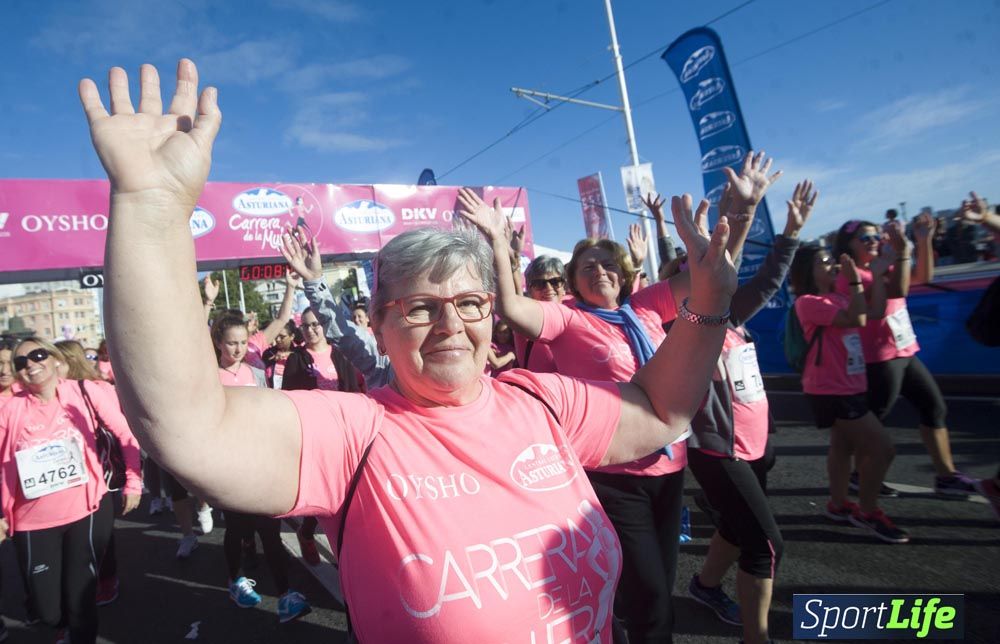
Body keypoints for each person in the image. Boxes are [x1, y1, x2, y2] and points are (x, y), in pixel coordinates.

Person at [79, 58, 736, 642]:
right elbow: (188, 425)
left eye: (470, 303)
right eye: (421, 307)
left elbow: (659, 409)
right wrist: (152, 207)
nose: (451, 324)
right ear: (378, 324)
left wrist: (706, 303)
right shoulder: (356, 435)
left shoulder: (543, 402)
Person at [458, 150, 780, 643]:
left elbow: (712, 272)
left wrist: (740, 214)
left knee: (652, 593)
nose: (600, 271)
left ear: (624, 272)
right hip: (610, 475)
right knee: (650, 599)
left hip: (669, 467)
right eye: (587, 266)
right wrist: (499, 242)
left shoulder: (648, 305)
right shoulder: (568, 319)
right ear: (573, 281)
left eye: (608, 263)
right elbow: (511, 308)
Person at [682, 180, 815, 643]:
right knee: (766, 545)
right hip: (721, 452)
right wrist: (736, 211)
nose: (715, 272)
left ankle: (704, 586)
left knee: (737, 529)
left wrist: (788, 229)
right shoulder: (684, 324)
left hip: (757, 444)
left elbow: (767, 279)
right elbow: (718, 267)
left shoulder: (732, 316)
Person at [0, 337, 142, 643]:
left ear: (54, 359)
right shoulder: (10, 408)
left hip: (86, 510)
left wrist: (134, 480)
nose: (31, 365)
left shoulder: (83, 391)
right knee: (47, 609)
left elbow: (123, 432)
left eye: (37, 355)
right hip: (31, 520)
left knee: (81, 598)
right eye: (21, 362)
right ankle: (61, 623)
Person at [832, 216, 977, 496]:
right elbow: (898, 290)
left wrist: (922, 240)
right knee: (875, 423)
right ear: (848, 246)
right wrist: (900, 254)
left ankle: (946, 476)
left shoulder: (882, 267)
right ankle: (860, 476)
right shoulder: (851, 276)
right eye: (865, 238)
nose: (873, 241)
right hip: (879, 359)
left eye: (876, 236)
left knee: (934, 408)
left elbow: (922, 278)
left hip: (905, 350)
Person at [789, 245, 908, 544]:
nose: (831, 266)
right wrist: (856, 281)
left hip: (849, 384)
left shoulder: (838, 296)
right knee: (882, 449)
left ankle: (838, 504)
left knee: (842, 447)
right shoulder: (808, 301)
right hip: (831, 388)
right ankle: (867, 512)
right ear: (806, 270)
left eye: (831, 260)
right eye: (823, 262)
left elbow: (876, 312)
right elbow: (856, 319)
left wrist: (877, 276)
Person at [209, 313, 311, 621]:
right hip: (229, 464)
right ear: (218, 342)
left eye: (242, 342)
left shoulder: (255, 373)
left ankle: (285, 595)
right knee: (238, 527)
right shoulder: (209, 376)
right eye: (231, 343)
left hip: (260, 461)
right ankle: (234, 580)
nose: (238, 349)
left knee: (270, 531)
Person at [516, 255, 567, 372]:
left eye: (555, 282)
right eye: (539, 284)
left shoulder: (580, 315)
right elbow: (510, 301)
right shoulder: (524, 319)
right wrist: (513, 264)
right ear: (529, 291)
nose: (548, 288)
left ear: (563, 286)